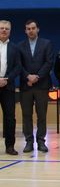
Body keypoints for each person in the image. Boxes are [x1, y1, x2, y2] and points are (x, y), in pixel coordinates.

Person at [18, 19, 54, 153]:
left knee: (42, 115)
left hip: (41, 85)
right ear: (25, 31)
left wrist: (37, 77)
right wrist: (28, 76)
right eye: (28, 29)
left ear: (37, 29)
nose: (31, 31)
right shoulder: (19, 46)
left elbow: (49, 62)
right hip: (26, 85)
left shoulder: (46, 43)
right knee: (26, 115)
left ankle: (41, 141)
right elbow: (18, 65)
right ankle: (28, 141)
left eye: (33, 28)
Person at [0, 20, 21, 155]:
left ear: (10, 31)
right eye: (1, 28)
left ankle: (10, 146)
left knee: (10, 118)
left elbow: (18, 67)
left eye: (6, 28)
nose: (4, 30)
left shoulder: (15, 48)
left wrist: (6, 79)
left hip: (8, 87)